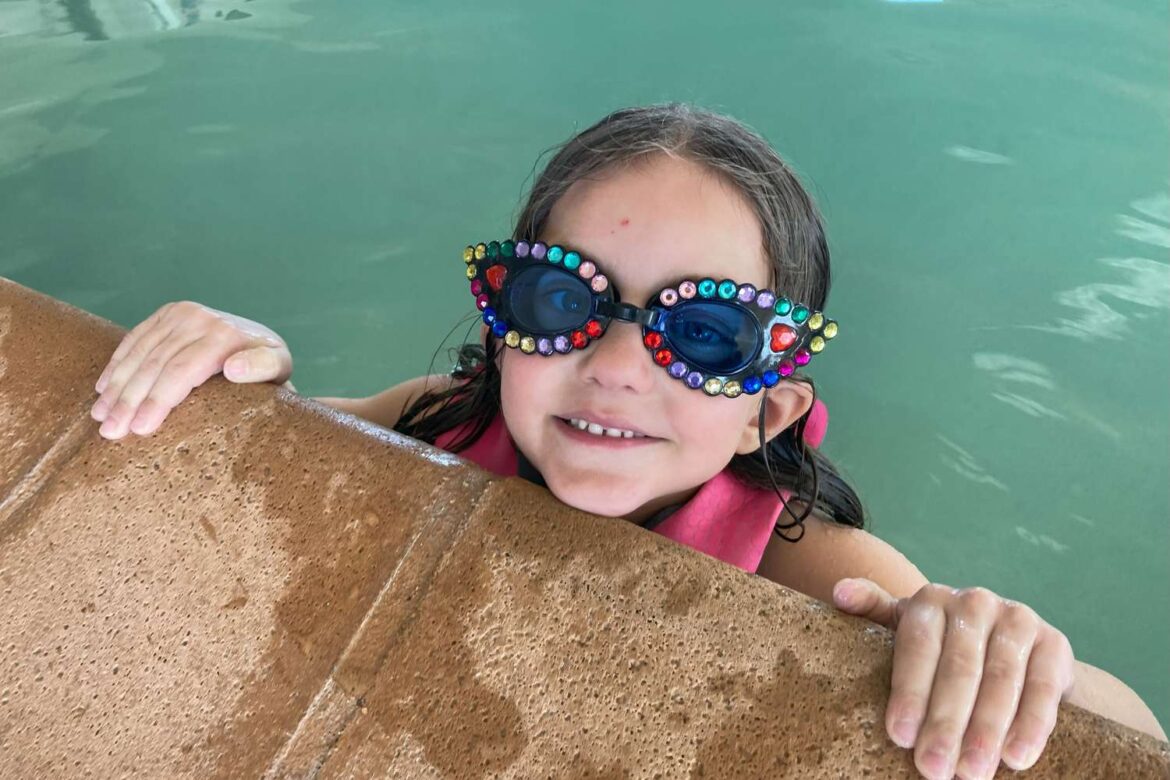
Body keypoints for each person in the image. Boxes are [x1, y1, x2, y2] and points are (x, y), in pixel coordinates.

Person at [88, 103, 1165, 778]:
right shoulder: (441, 419)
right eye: (563, 301)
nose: (612, 362)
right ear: (503, 332)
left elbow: (1134, 736)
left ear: (770, 410)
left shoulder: (805, 562)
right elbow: (284, 442)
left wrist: (1007, 652)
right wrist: (249, 359)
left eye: (701, 333)